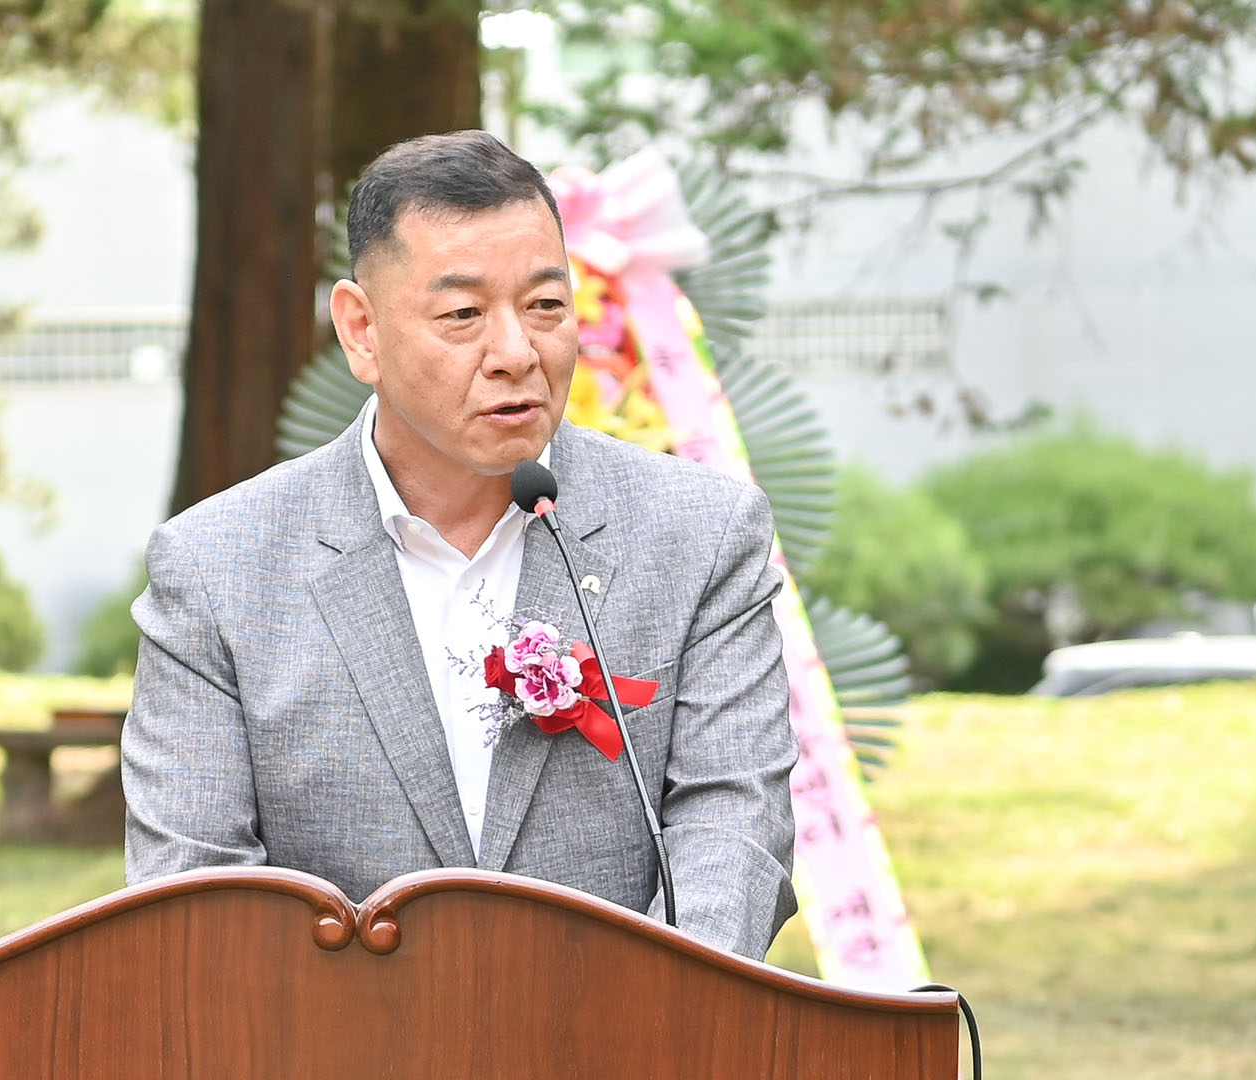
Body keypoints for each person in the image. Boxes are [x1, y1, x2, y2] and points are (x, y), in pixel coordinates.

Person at [122, 130, 798, 960]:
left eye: (545, 306)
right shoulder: (217, 567)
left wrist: (649, 1015)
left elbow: (733, 824)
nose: (516, 353)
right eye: (462, 315)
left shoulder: (700, 534)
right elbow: (193, 893)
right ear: (361, 331)